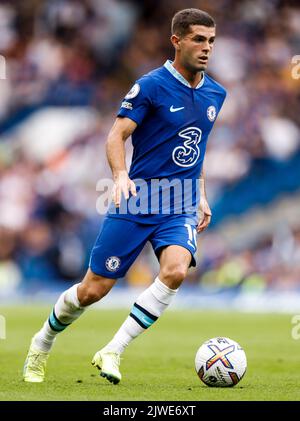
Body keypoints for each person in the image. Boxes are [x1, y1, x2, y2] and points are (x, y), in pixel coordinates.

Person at [23, 8, 226, 384]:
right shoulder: (150, 86)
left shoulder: (217, 93)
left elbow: (195, 148)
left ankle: (113, 350)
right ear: (176, 41)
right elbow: (116, 135)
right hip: (137, 199)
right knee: (92, 290)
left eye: (211, 41)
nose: (206, 48)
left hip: (178, 203)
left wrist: (199, 192)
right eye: (198, 39)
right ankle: (42, 340)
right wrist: (119, 175)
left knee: (176, 271)